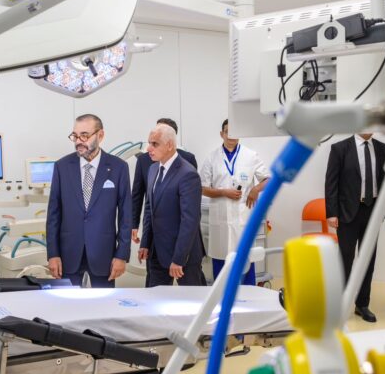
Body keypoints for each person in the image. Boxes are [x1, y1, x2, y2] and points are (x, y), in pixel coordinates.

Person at [46, 114, 131, 288]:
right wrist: (53, 254)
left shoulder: (119, 168)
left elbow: (126, 216)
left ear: (100, 135)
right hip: (68, 255)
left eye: (84, 135)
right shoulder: (62, 167)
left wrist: (122, 255)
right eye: (75, 136)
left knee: (104, 303)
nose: (79, 141)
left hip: (103, 254)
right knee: (67, 303)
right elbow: (53, 214)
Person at [325, 133, 385, 323]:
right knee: (345, 259)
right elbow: (331, 182)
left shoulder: (383, 149)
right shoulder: (340, 149)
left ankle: (362, 304)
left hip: (373, 211)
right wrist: (331, 212)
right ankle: (340, 304)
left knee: (368, 260)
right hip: (347, 213)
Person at [200, 119, 270, 285]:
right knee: (220, 260)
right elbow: (202, 188)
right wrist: (223, 192)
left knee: (245, 258)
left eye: (235, 132)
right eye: (227, 132)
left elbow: (268, 179)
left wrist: (255, 190)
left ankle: (249, 294)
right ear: (221, 134)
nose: (231, 135)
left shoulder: (250, 155)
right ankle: (221, 296)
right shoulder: (212, 158)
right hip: (221, 219)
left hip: (243, 217)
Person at [131, 118, 196, 286]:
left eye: (154, 144)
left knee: (192, 298)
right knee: (153, 297)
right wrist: (146, 243)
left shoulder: (187, 173)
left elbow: (189, 221)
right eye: (149, 143)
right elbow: (149, 208)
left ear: (169, 145)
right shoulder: (153, 169)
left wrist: (179, 258)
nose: (148, 148)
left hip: (182, 254)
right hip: (157, 250)